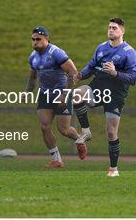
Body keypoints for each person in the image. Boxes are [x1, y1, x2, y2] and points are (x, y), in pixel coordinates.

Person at [72, 18, 136, 177]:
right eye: (109, 27)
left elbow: (134, 78)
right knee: (76, 94)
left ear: (122, 31)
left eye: (114, 28)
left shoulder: (129, 52)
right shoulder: (101, 47)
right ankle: (86, 131)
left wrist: (116, 73)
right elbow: (91, 66)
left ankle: (113, 169)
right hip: (97, 87)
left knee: (111, 132)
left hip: (115, 94)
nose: (111, 30)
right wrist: (80, 75)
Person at [25, 26, 87, 168]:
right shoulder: (33, 57)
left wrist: (65, 95)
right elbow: (32, 77)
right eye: (33, 39)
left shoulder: (56, 53)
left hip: (61, 93)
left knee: (63, 129)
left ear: (47, 39)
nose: (35, 42)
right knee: (44, 126)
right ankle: (57, 159)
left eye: (38, 39)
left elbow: (73, 72)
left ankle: (79, 139)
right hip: (45, 94)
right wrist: (27, 92)